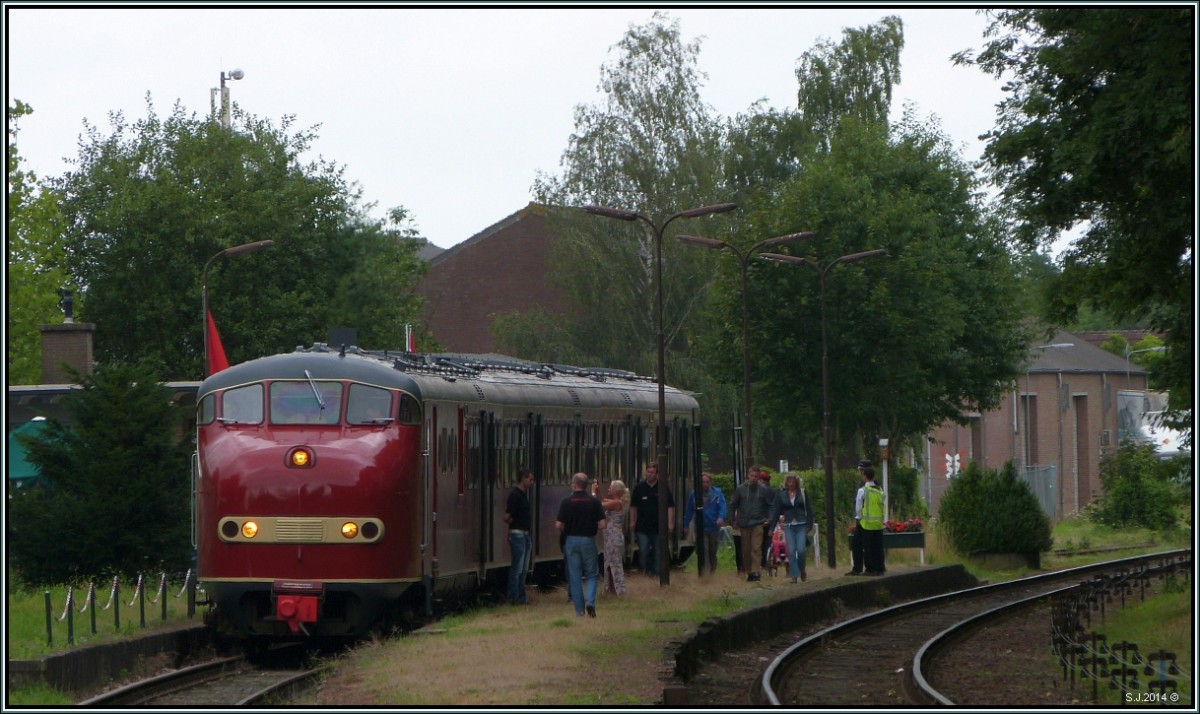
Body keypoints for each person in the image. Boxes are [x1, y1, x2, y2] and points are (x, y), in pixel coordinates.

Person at [556, 473, 607, 617]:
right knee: (591, 574)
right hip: (588, 540)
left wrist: (568, 529)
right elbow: (603, 524)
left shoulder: (566, 502)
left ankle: (579, 611)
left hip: (571, 541)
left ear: (574, 485)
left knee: (575, 576)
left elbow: (558, 524)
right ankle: (590, 601)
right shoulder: (594, 502)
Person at [628, 463, 675, 578]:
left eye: (651, 472)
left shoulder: (663, 488)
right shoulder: (639, 488)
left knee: (657, 552)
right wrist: (632, 520)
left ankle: (657, 574)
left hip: (659, 527)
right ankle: (645, 572)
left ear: (657, 474)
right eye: (647, 472)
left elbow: (670, 506)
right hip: (642, 527)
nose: (648, 474)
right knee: (643, 551)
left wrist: (670, 522)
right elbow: (633, 506)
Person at [728, 468, 773, 582]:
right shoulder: (740, 489)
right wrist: (732, 520)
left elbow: (771, 505)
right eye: (752, 475)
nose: (753, 478)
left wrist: (770, 518)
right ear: (748, 475)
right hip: (744, 524)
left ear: (759, 477)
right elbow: (733, 505)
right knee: (746, 550)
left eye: (756, 476)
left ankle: (755, 571)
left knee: (756, 548)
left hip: (758, 523)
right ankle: (749, 571)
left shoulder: (763, 490)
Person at [770, 472, 814, 583]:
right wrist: (771, 528)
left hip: (801, 524)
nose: (791, 484)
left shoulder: (803, 493)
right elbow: (776, 511)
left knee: (801, 550)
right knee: (791, 550)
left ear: (796, 483)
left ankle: (802, 569)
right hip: (789, 525)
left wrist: (809, 524)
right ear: (786, 483)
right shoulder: (782, 495)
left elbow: (809, 509)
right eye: (789, 482)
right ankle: (794, 575)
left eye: (793, 482)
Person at [683, 472, 726, 575]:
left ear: (710, 482)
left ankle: (712, 571)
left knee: (712, 551)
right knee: (703, 551)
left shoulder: (717, 493)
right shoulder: (694, 494)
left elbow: (722, 507)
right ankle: (704, 573)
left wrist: (721, 518)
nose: (705, 484)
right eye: (703, 482)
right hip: (700, 527)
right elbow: (689, 510)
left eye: (707, 482)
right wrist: (686, 525)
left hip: (714, 527)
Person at [504, 468, 535, 604]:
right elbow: (507, 516)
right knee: (517, 568)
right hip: (517, 534)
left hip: (526, 535)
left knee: (523, 569)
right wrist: (513, 521)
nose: (532, 482)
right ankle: (513, 597)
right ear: (523, 478)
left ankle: (522, 597)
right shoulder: (515, 495)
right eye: (530, 479)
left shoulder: (523, 495)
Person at [594, 479, 630, 597]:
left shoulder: (617, 503)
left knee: (614, 564)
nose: (608, 489)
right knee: (609, 564)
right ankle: (611, 590)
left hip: (613, 538)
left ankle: (618, 591)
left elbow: (599, 505)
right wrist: (598, 490)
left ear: (615, 491)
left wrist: (593, 494)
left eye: (610, 487)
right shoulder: (616, 502)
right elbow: (603, 500)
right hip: (610, 538)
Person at [858, 465, 887, 575]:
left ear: (864, 476)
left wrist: (860, 519)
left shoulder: (863, 490)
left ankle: (870, 569)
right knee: (878, 547)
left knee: (868, 548)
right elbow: (883, 504)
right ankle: (880, 568)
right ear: (874, 477)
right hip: (878, 524)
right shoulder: (880, 491)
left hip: (867, 524)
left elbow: (858, 507)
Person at [846, 460, 870, 576]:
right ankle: (858, 567)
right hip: (862, 519)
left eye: (862, 470)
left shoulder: (868, 483)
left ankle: (861, 568)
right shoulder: (864, 482)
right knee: (857, 544)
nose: (860, 472)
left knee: (862, 544)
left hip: (865, 519)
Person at [758, 469, 777, 571]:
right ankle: (766, 564)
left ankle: (761, 564)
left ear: (761, 480)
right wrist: (771, 519)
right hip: (770, 521)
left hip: (759, 520)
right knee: (767, 543)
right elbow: (775, 507)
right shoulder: (774, 491)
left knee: (759, 544)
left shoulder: (759, 491)